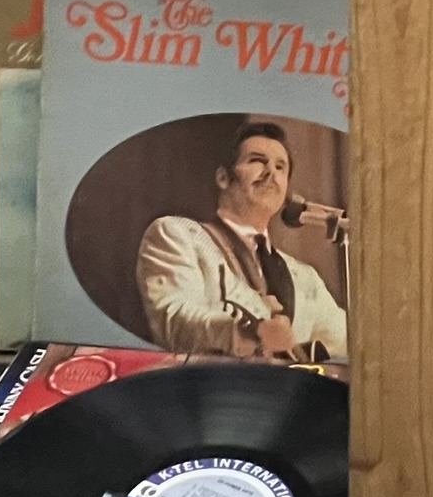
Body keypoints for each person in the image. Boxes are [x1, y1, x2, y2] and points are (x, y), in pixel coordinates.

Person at [137, 122, 349, 359]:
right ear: (223, 177)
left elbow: (351, 345)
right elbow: (174, 320)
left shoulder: (304, 278)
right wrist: (251, 332)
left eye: (281, 167)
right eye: (257, 161)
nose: (271, 172)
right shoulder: (178, 235)